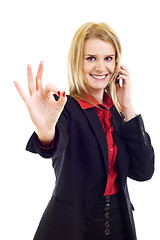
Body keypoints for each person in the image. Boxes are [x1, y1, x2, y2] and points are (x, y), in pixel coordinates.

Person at [14, 22, 154, 240]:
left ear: (117, 63)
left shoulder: (118, 113)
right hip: (73, 229)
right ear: (76, 62)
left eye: (108, 58)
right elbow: (52, 146)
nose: (101, 68)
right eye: (91, 58)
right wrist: (45, 130)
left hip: (120, 227)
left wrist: (128, 107)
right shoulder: (63, 108)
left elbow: (144, 172)